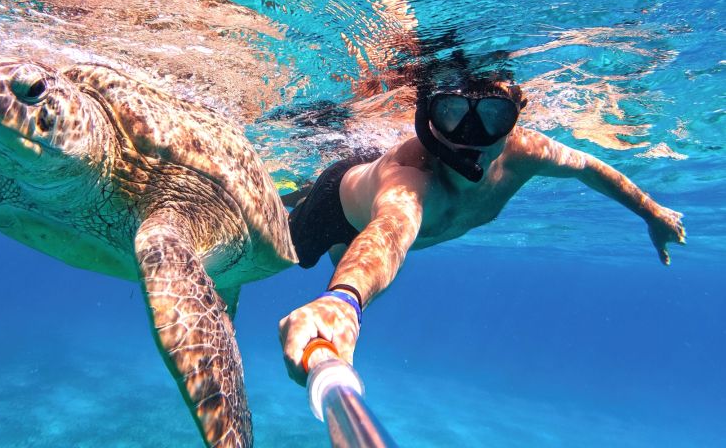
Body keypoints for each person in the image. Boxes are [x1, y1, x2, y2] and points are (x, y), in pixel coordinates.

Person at [279, 77, 686, 384]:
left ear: (514, 118)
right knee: (276, 253)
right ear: (428, 117)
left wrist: (652, 213)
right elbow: (390, 229)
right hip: (336, 205)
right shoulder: (412, 175)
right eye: (451, 114)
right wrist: (343, 301)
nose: (470, 138)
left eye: (493, 116)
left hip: (362, 210)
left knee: (337, 255)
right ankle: (304, 193)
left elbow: (589, 168)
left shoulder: (525, 152)